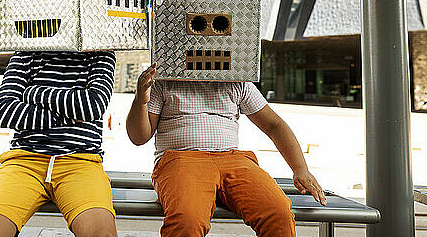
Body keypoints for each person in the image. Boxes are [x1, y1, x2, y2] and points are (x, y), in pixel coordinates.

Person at [126, 63, 326, 237]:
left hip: (233, 160)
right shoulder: (163, 82)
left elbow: (275, 125)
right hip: (181, 160)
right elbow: (139, 136)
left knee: (278, 212)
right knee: (187, 220)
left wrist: (300, 169)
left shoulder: (236, 81)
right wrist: (141, 100)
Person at [0, 50, 118, 237]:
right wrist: (72, 116)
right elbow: (4, 112)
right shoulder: (25, 54)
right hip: (24, 162)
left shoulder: (100, 54)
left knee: (101, 234)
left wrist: (33, 93)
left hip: (80, 163)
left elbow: (92, 106)